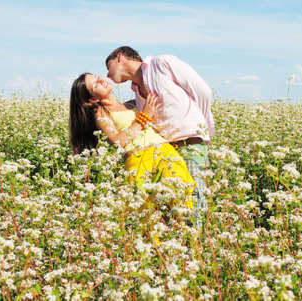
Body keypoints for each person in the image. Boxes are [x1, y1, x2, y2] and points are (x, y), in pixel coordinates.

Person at [105, 46, 215, 227]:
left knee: (193, 201)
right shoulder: (135, 92)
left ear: (119, 57)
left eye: (108, 68)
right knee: (172, 209)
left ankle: (197, 248)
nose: (107, 75)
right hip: (165, 152)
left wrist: (200, 124)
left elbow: (203, 91)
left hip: (190, 142)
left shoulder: (162, 63)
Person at [69, 73, 195, 208]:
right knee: (146, 211)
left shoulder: (133, 103)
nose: (101, 80)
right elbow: (118, 141)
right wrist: (143, 117)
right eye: (95, 85)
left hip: (165, 151)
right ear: (92, 100)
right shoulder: (101, 112)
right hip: (139, 160)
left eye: (98, 77)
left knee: (180, 195)